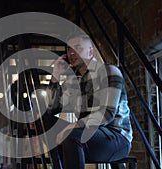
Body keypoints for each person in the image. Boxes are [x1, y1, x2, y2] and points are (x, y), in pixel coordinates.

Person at [43, 31, 133, 169]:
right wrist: (55, 76)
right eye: (69, 49)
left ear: (91, 51)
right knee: (45, 119)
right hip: (86, 135)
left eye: (78, 48)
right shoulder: (72, 82)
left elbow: (107, 114)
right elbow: (52, 109)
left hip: (116, 137)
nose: (72, 53)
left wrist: (73, 125)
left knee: (71, 135)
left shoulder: (108, 71)